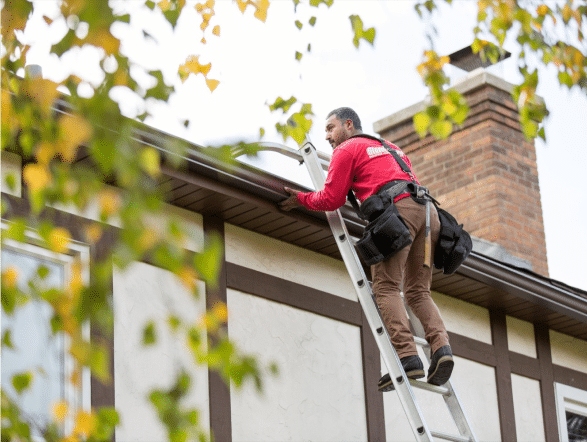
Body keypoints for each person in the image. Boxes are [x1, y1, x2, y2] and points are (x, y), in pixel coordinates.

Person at [279, 107, 454, 391]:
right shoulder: (389, 147)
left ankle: (408, 357)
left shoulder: (347, 149)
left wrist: (300, 199)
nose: (327, 136)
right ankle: (442, 349)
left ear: (349, 124)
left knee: (385, 287)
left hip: (400, 212)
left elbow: (331, 198)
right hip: (429, 214)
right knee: (418, 291)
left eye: (330, 128)